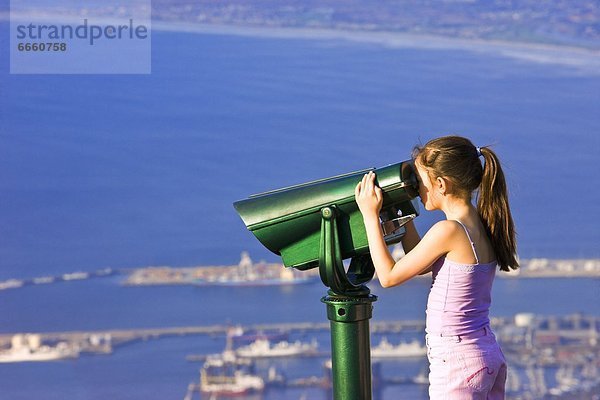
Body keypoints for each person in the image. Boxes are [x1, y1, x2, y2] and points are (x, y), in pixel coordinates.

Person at [355, 135, 518, 399]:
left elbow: (388, 276)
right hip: (483, 354)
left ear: (441, 184)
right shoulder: (481, 223)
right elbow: (419, 265)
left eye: (420, 182)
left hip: (459, 364)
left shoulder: (448, 230)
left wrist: (369, 215)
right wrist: (405, 220)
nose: (417, 189)